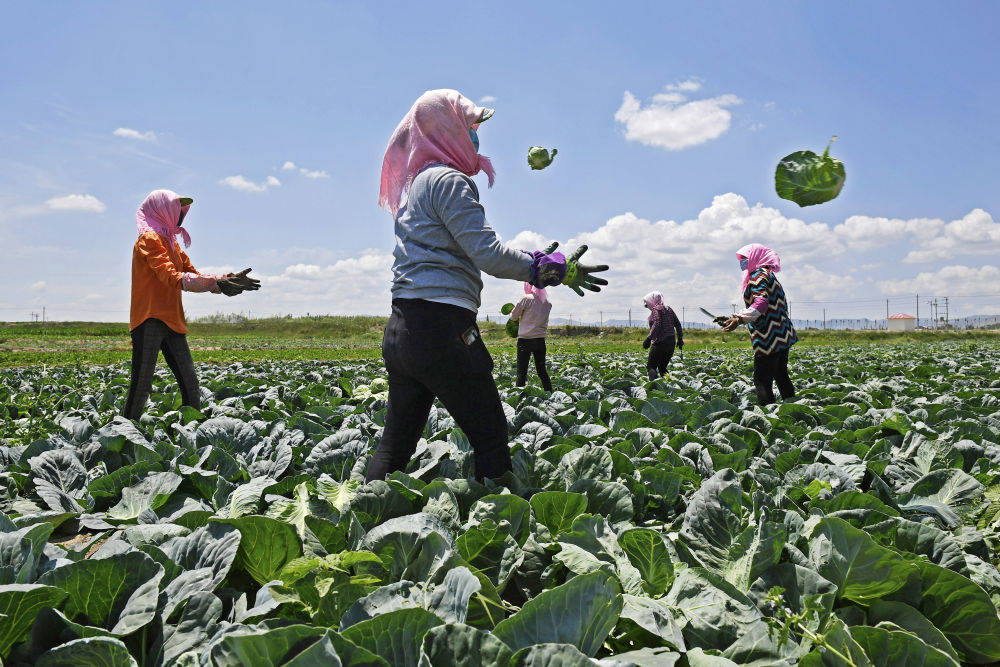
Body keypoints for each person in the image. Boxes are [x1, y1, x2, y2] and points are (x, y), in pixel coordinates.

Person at [366, 89, 608, 483]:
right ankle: (500, 531)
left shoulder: (418, 187)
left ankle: (366, 517)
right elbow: (488, 254)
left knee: (396, 444)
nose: (476, 137)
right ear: (448, 131)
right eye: (470, 127)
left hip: (401, 331)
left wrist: (536, 261)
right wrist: (547, 270)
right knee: (490, 436)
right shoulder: (449, 181)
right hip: (443, 328)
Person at [123, 190, 259, 420]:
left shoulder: (173, 245)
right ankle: (122, 437)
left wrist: (226, 280)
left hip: (173, 321)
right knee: (141, 388)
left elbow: (194, 275)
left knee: (191, 386)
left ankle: (190, 438)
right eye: (176, 211)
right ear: (161, 210)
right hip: (149, 320)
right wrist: (216, 282)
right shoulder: (149, 240)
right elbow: (172, 277)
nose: (180, 217)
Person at [722, 243, 797, 405]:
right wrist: (738, 316)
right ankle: (793, 412)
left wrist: (740, 319)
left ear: (754, 258)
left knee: (761, 380)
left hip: (767, 337)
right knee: (781, 375)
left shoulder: (757, 275)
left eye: (744, 259)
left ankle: (769, 417)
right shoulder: (769, 275)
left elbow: (761, 303)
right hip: (782, 334)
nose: (742, 263)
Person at [511, 282, 553, 392]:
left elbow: (514, 317)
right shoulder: (547, 302)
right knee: (542, 371)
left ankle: (519, 398)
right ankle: (550, 393)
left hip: (525, 341)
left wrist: (512, 314)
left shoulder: (526, 298)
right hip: (540, 341)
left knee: (521, 372)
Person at [642, 291, 683, 380]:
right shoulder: (669, 309)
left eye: (647, 304)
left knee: (651, 367)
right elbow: (678, 324)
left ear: (651, 301)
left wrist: (648, 338)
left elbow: (657, 323)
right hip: (671, 343)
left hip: (660, 342)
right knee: (662, 368)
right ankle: (669, 388)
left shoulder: (656, 309)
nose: (647, 307)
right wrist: (680, 339)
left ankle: (654, 389)